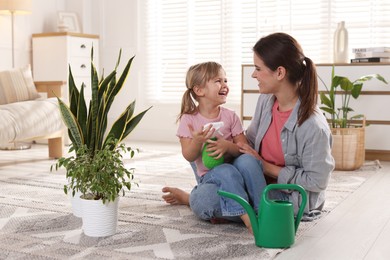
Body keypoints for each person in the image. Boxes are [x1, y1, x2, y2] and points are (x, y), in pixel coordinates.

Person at [163, 32, 335, 229]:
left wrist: (265, 166)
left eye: (258, 68)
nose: (253, 74)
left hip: (285, 193)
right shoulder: (267, 100)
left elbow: (316, 181)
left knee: (205, 201)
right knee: (204, 152)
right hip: (252, 177)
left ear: (279, 73)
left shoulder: (313, 126)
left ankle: (193, 198)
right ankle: (235, 196)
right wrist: (225, 147)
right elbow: (248, 144)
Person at [163, 61, 267, 232]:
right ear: (199, 90)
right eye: (218, 81)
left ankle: (262, 210)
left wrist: (227, 146)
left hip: (235, 169)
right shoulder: (189, 119)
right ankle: (247, 217)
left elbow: (243, 148)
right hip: (210, 176)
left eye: (225, 80)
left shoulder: (230, 116)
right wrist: (197, 142)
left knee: (248, 161)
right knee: (225, 172)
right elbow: (189, 156)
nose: (225, 85)